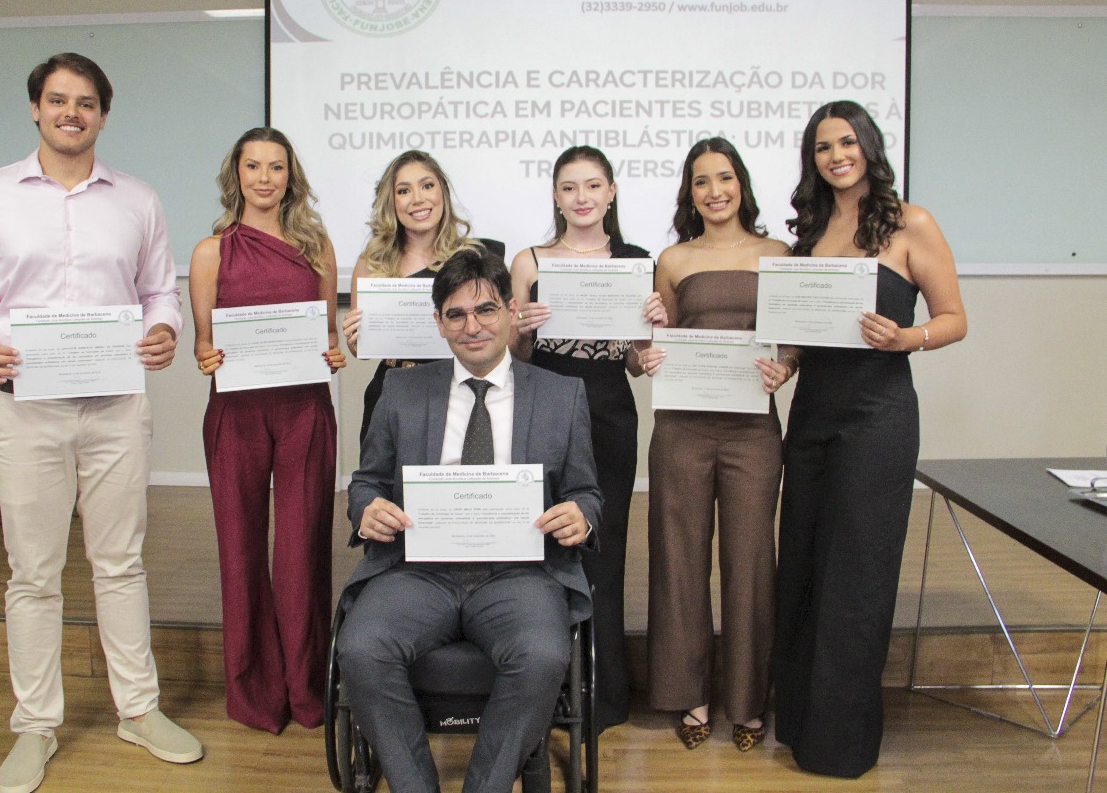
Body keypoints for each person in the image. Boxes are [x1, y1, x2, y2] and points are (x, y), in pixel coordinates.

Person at [0, 52, 203, 793]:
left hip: (116, 407)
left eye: (86, 103)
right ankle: (35, 725)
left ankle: (138, 709)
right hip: (26, 410)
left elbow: (160, 292)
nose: (71, 113)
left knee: (121, 563)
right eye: (57, 100)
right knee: (33, 573)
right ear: (35, 109)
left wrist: (164, 329)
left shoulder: (138, 200)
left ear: (103, 115)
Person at [336, 247, 602, 793]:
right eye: (455, 315)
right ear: (438, 323)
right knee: (360, 648)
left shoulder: (561, 395)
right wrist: (367, 510)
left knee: (542, 654)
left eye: (485, 310)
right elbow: (367, 481)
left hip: (520, 573)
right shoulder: (402, 390)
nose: (472, 326)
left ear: (510, 311)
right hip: (417, 570)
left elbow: (585, 491)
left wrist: (582, 515)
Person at [772, 101, 967, 777]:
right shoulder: (810, 234)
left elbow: (954, 318)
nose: (836, 156)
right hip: (811, 418)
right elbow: (804, 336)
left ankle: (841, 743)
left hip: (877, 418)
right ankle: (800, 724)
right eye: (823, 147)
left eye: (847, 142)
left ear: (869, 147)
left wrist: (907, 336)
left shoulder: (912, 223)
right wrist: (783, 364)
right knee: (803, 564)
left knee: (857, 574)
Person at [189, 127, 345, 733]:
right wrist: (206, 355)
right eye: (252, 166)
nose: (264, 178)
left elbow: (327, 336)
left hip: (305, 408)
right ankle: (255, 690)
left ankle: (306, 687)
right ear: (237, 175)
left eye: (275, 167)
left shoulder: (317, 247)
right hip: (237, 413)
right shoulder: (211, 253)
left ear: (289, 177)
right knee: (241, 550)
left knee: (303, 550)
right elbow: (204, 345)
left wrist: (333, 354)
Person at [509, 145, 667, 728]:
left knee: (605, 544)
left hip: (609, 412)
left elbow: (634, 363)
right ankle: (543, 685)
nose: (582, 197)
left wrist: (649, 340)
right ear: (555, 195)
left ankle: (603, 694)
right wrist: (522, 330)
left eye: (593, 185)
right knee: (542, 544)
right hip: (542, 409)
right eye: (570, 187)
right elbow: (514, 357)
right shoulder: (529, 261)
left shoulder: (636, 262)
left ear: (611, 192)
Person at [646, 138, 794, 752]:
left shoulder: (779, 253)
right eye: (701, 181)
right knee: (678, 559)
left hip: (753, 430)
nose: (715, 191)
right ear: (690, 193)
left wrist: (787, 365)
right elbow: (648, 342)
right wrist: (644, 352)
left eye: (725, 177)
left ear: (742, 185)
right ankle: (691, 695)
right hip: (681, 426)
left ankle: (748, 701)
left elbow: (795, 335)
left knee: (751, 561)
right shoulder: (673, 258)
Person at [341, 149, 502, 442]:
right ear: (391, 202)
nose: (418, 199)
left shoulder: (473, 257)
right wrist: (355, 342)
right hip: (392, 389)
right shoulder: (372, 263)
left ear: (443, 192)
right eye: (404, 191)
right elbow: (361, 351)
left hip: (458, 388)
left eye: (427, 186)